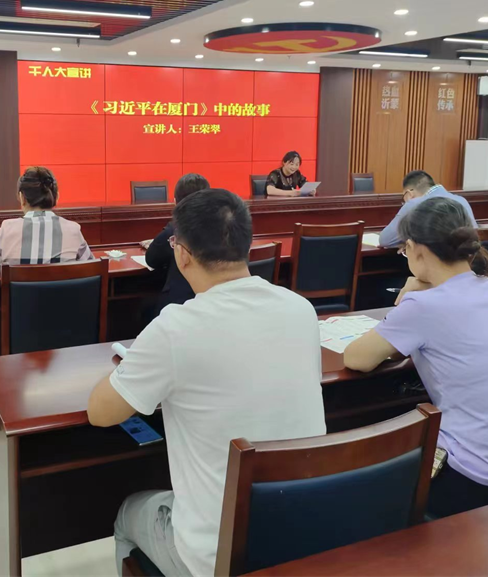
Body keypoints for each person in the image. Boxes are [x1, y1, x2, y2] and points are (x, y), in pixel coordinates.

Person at [87, 189, 326, 577]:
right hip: (302, 531)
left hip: (219, 554)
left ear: (181, 254)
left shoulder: (175, 328)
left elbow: (100, 413)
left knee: (128, 512)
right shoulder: (300, 309)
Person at [344, 197, 488, 518]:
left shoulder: (423, 307)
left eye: (404, 250)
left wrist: (410, 296)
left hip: (474, 482)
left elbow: (357, 358)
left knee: (364, 486)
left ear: (416, 249)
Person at [0, 166, 93, 286]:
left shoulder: (7, 229)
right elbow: (93, 272)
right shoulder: (73, 230)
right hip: (65, 302)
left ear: (22, 198)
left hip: (21, 302)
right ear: (57, 197)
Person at [139, 173, 209, 316]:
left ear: (176, 202)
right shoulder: (222, 231)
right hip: (209, 308)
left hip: (176, 309)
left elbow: (151, 259)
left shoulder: (174, 232)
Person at [379, 170, 477, 248]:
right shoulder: (461, 200)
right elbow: (474, 235)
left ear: (409, 194)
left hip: (433, 263)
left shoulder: (414, 204)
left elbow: (385, 240)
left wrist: (408, 243)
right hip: (465, 261)